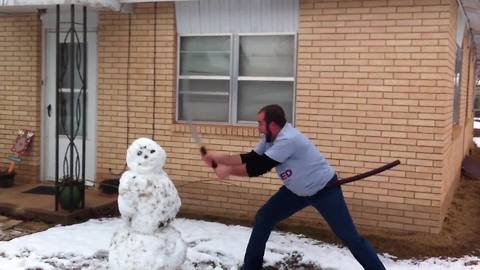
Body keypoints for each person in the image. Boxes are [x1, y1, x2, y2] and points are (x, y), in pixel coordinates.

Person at [202, 104, 386, 270]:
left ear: (272, 125)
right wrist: (219, 158)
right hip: (296, 192)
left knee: (350, 237)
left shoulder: (288, 140)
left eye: (260, 123)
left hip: (324, 190)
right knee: (264, 217)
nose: (258, 128)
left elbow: (259, 167)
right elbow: (251, 157)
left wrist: (227, 171)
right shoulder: (269, 138)